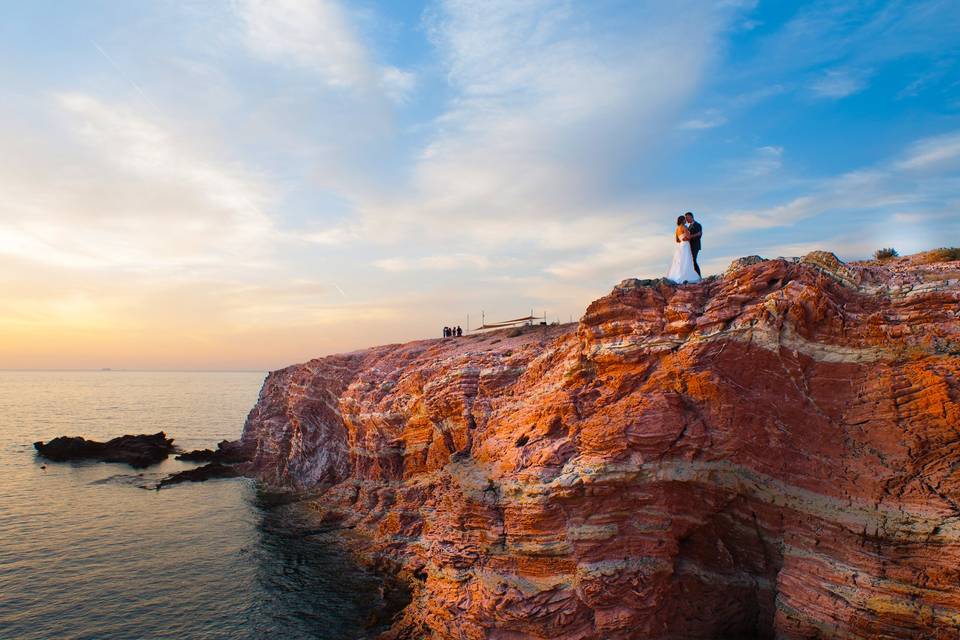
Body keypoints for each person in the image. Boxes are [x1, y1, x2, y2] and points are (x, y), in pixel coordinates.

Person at [666, 214, 701, 284]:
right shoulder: (684, 227)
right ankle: (685, 276)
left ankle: (677, 276)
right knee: (686, 260)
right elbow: (689, 237)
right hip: (685, 245)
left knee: (680, 261)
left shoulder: (677, 229)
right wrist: (697, 234)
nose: (686, 220)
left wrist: (682, 239)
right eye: (685, 219)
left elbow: (677, 240)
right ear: (682, 221)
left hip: (680, 246)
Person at [684, 211, 703, 276]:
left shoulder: (698, 225)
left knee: (693, 260)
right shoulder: (688, 227)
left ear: (691, 217)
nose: (686, 219)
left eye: (687, 218)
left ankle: (699, 276)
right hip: (689, 246)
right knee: (691, 261)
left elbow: (699, 235)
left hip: (695, 245)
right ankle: (694, 276)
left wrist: (690, 237)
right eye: (685, 218)